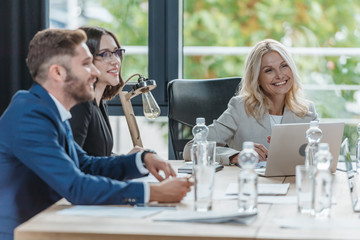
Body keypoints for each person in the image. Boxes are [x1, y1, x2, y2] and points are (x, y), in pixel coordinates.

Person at [0, 29, 192, 240]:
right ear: (57, 73)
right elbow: (76, 185)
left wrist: (141, 160)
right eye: (85, 64)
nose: (93, 72)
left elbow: (86, 165)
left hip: (51, 225)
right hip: (23, 232)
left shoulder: (49, 109)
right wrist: (155, 193)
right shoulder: (30, 115)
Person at [184, 39, 318, 165]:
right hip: (249, 183)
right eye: (269, 70)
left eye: (284, 66)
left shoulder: (307, 111)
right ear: (257, 78)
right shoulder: (241, 108)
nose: (279, 75)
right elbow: (191, 149)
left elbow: (321, 155)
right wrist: (235, 156)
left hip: (293, 183)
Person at [69, 26, 128, 156]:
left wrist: (130, 159)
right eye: (106, 54)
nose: (116, 61)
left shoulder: (99, 102)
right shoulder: (80, 105)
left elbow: (100, 154)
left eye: (116, 52)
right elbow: (76, 162)